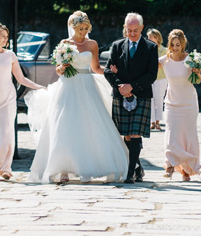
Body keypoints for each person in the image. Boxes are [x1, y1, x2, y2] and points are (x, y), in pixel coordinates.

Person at [28, 11, 129, 184]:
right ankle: (63, 169)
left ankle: (87, 168)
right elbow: (58, 70)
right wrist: (63, 67)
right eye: (80, 28)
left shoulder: (92, 44)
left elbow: (96, 67)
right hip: (68, 85)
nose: (83, 31)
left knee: (90, 124)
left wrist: (112, 75)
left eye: (85, 28)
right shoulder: (65, 44)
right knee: (65, 125)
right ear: (73, 27)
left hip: (87, 86)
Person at [0, 22, 45, 181]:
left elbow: (21, 79)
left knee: (6, 132)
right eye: (3, 36)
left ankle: (5, 167)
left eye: (7, 37)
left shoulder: (10, 55)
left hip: (7, 98)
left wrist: (38, 87)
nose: (6, 39)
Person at [104, 13, 159, 183]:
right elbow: (107, 71)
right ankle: (137, 167)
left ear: (142, 28)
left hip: (141, 95)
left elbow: (152, 75)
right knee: (126, 135)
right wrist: (121, 86)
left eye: (135, 30)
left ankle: (129, 173)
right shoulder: (117, 46)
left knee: (135, 134)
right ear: (125, 28)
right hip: (121, 95)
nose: (132, 34)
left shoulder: (151, 47)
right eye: (129, 30)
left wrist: (132, 87)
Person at [159, 29, 201, 181]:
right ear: (169, 44)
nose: (175, 47)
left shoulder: (190, 59)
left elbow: (197, 81)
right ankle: (170, 165)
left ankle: (186, 170)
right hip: (171, 103)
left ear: (183, 44)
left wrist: (196, 72)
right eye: (172, 44)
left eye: (178, 44)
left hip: (188, 103)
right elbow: (148, 69)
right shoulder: (164, 60)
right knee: (171, 135)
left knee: (187, 137)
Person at [147, 29, 167, 131]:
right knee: (150, 100)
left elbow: (163, 65)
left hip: (161, 78)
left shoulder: (164, 50)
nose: (149, 39)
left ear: (157, 38)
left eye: (151, 37)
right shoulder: (147, 49)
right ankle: (152, 122)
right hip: (149, 79)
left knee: (159, 100)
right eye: (148, 37)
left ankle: (158, 122)